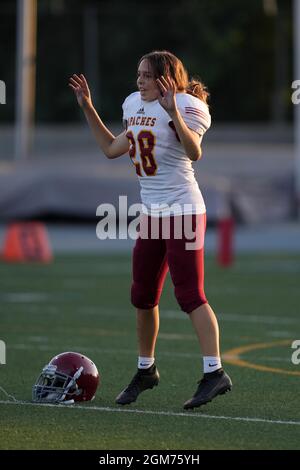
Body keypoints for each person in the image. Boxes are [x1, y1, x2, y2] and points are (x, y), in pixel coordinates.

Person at [69, 50, 232, 410]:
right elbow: (113, 147)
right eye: (138, 75)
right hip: (153, 213)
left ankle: (214, 372)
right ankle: (146, 369)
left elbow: (194, 153)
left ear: (164, 79)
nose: (139, 81)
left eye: (146, 76)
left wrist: (173, 111)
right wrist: (87, 107)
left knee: (190, 295)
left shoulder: (187, 105)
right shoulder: (133, 104)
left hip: (184, 209)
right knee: (142, 295)